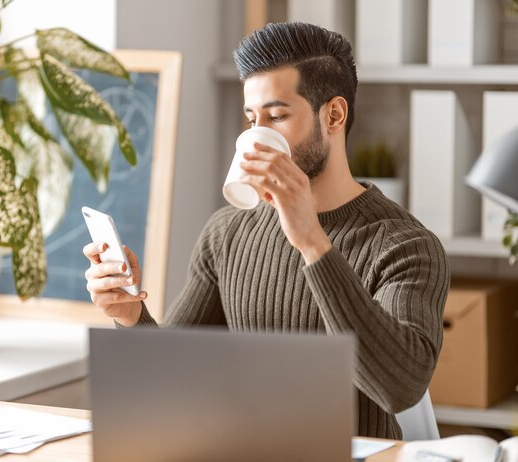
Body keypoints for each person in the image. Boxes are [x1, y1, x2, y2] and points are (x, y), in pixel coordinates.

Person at [83, 22, 450, 439]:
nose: (256, 137)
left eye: (276, 117)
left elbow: (400, 387)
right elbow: (173, 375)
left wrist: (312, 240)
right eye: (251, 118)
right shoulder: (227, 233)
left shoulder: (405, 245)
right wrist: (132, 318)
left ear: (333, 115)